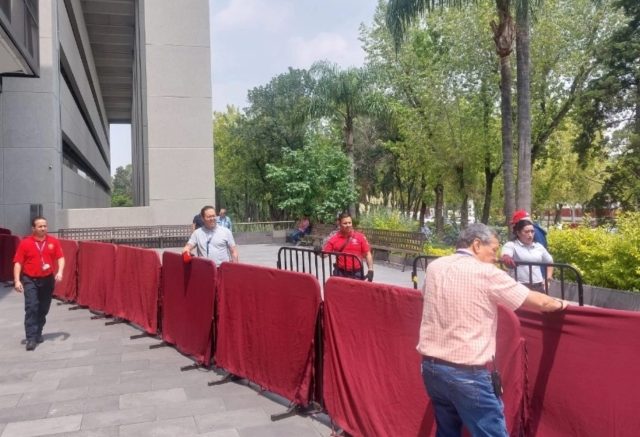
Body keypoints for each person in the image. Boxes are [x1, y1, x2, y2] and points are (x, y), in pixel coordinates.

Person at [418, 223, 568, 437]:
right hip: (467, 372)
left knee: (447, 431)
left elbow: (426, 295)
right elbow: (540, 303)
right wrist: (561, 304)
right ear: (477, 245)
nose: (496, 257)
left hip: (431, 368)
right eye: (494, 249)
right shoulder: (486, 272)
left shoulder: (435, 266)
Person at [13, 216, 65, 351]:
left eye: (45, 226)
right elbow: (18, 262)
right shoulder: (25, 243)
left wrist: (60, 271)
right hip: (30, 279)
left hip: (47, 279)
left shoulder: (53, 241)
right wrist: (17, 280)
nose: (43, 228)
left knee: (43, 308)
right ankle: (31, 338)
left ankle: (38, 332)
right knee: (32, 307)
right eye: (40, 226)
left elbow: (61, 258)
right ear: (33, 228)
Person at [501, 211, 554, 292]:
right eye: (526, 232)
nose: (530, 235)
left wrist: (548, 279)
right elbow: (506, 254)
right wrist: (506, 258)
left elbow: (550, 261)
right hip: (519, 287)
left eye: (532, 231)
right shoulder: (511, 245)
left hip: (538, 286)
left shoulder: (538, 246)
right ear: (518, 232)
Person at [322, 212, 374, 281]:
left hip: (356, 273)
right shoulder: (334, 238)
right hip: (340, 273)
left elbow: (367, 254)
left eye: (350, 222)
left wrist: (370, 270)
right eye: (345, 223)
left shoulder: (360, 236)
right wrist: (319, 252)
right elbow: (325, 254)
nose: (348, 225)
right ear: (340, 224)